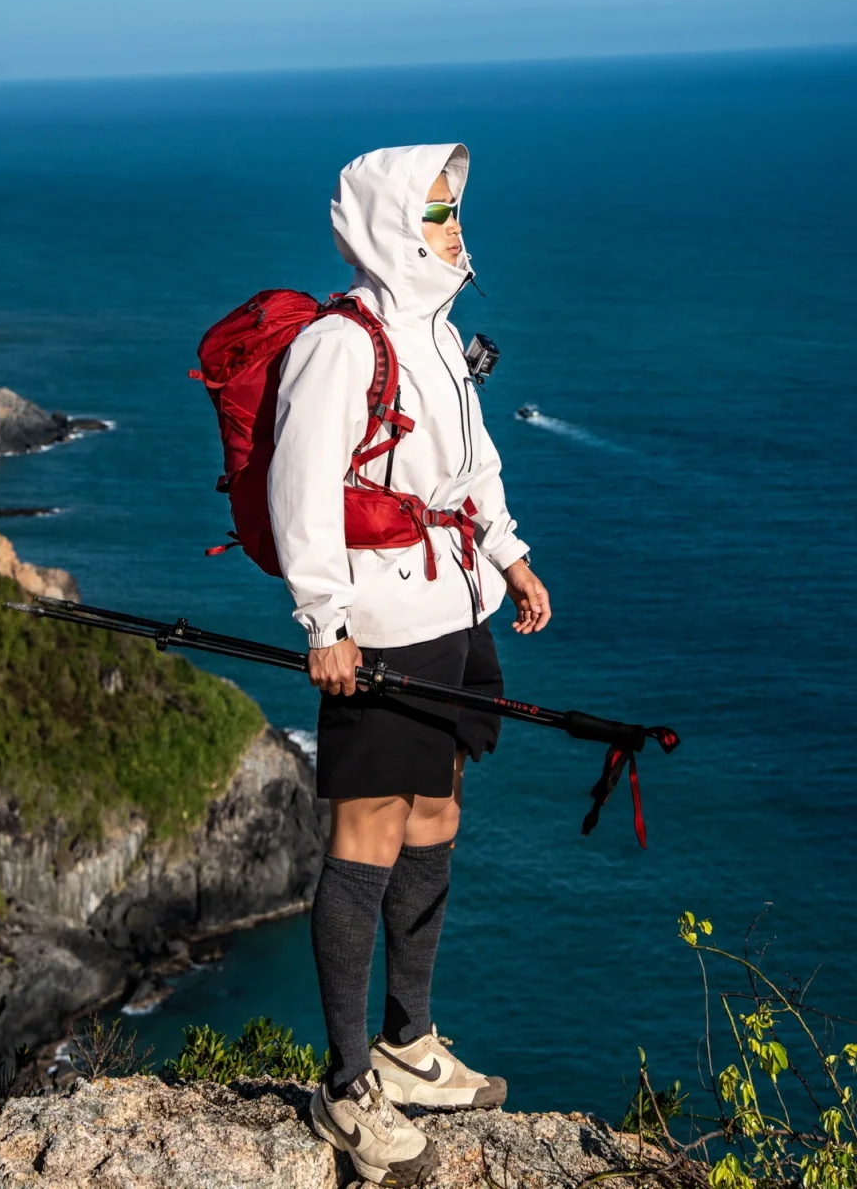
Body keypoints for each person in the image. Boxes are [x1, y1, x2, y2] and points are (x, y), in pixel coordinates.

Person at [268, 143, 551, 1187]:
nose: (453, 227)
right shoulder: (342, 344)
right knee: (365, 835)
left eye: (455, 210)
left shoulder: (430, 332)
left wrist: (510, 556)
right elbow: (304, 486)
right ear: (390, 222)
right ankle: (346, 1086)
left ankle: (408, 1042)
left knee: (436, 814)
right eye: (435, 213)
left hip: (454, 604)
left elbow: (472, 464)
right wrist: (323, 620)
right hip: (379, 623)